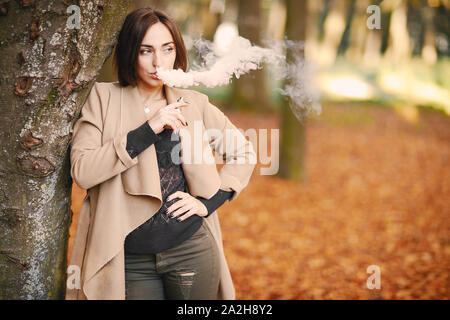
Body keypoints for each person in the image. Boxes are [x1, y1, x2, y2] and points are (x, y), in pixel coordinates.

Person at [66, 7, 256, 300]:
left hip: (191, 249)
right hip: (128, 259)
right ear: (130, 52)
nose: (158, 62)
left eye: (167, 50)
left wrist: (209, 202)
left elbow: (242, 152)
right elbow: (83, 170)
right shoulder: (102, 99)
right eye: (146, 51)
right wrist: (149, 129)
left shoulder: (193, 102)